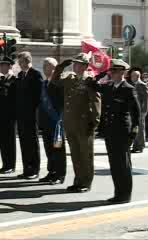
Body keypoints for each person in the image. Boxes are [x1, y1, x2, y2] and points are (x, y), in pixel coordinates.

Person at [88, 59, 140, 204]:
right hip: (110, 131)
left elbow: (136, 113)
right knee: (114, 164)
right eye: (112, 71)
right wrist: (102, 72)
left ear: (123, 72)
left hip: (123, 132)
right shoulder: (109, 86)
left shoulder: (128, 88)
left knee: (123, 164)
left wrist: (134, 132)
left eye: (116, 71)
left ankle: (125, 195)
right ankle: (118, 193)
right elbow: (91, 84)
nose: (113, 74)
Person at [52, 53, 101, 193]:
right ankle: (78, 181)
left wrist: (94, 122)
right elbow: (54, 81)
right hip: (70, 122)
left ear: (85, 66)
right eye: (75, 63)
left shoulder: (90, 80)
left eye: (79, 63)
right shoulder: (69, 78)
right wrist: (60, 67)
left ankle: (86, 182)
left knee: (86, 155)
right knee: (75, 154)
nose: (76, 65)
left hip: (85, 123)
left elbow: (96, 102)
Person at [38, 57, 66, 184]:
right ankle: (52, 172)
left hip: (57, 122)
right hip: (46, 122)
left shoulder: (59, 83)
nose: (44, 68)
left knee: (58, 149)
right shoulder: (44, 84)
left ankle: (60, 175)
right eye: (44, 65)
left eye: (47, 65)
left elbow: (62, 103)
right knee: (49, 149)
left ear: (54, 68)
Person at [15, 51, 43, 179]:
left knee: (32, 142)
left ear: (28, 61)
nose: (20, 64)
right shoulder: (20, 75)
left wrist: (33, 111)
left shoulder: (36, 74)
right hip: (21, 114)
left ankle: (34, 169)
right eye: (19, 62)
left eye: (21, 62)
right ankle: (27, 168)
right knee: (24, 142)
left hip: (31, 114)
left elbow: (38, 96)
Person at [130, 70, 148, 153]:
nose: (131, 77)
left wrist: (144, 111)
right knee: (135, 128)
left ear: (137, 76)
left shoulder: (142, 85)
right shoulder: (133, 85)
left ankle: (140, 145)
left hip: (140, 110)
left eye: (133, 76)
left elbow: (146, 99)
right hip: (135, 110)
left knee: (140, 128)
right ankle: (136, 145)